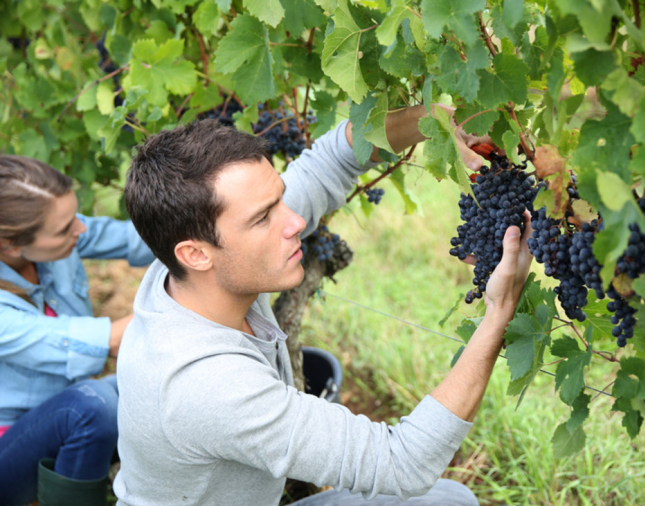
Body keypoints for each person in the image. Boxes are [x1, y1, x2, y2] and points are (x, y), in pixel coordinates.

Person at [113, 105, 533, 506]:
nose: (294, 221)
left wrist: (434, 120)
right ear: (196, 254)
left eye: (280, 199)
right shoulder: (207, 387)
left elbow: (336, 157)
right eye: (263, 218)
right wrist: (498, 313)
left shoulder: (192, 272)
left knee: (450, 501)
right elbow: (404, 464)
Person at [0, 155, 155, 505]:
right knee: (90, 406)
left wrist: (214, 235)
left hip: (63, 423)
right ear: (9, 244)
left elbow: (141, 239)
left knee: (157, 379)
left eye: (75, 217)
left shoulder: (56, 237)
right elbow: (111, 341)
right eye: (65, 228)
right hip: (7, 449)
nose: (80, 230)